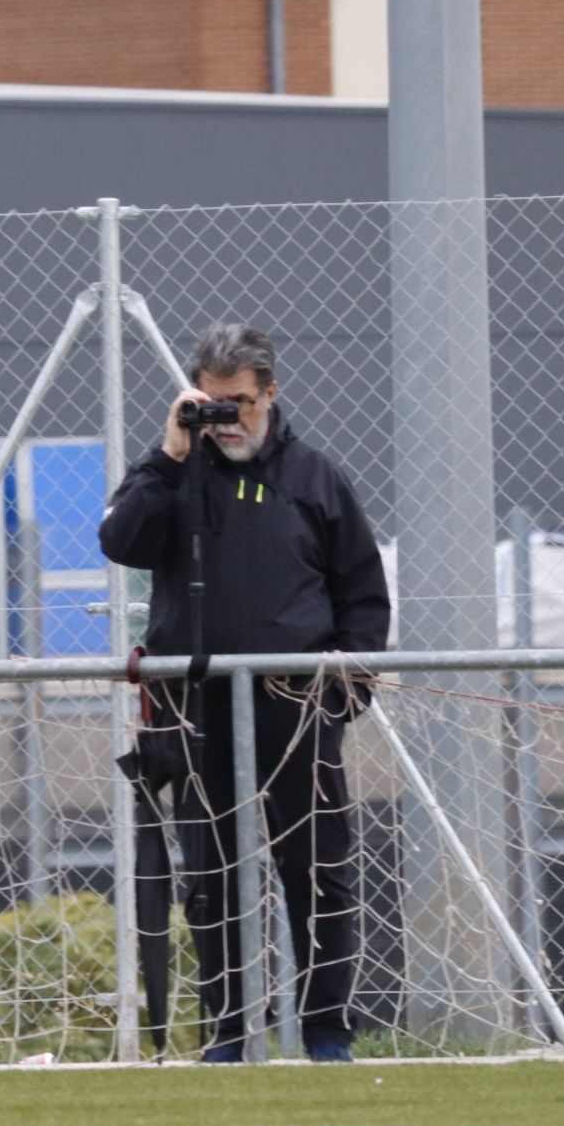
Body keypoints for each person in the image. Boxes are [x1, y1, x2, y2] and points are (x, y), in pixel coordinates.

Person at [98, 323, 390, 1063]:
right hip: (197, 707)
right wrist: (169, 452)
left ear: (270, 395)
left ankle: (326, 1029)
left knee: (318, 870)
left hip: (297, 707)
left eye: (242, 405)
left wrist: (344, 692)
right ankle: (229, 1030)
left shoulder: (315, 477)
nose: (229, 420)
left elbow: (362, 593)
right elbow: (122, 541)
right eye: (214, 404)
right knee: (212, 872)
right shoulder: (173, 475)